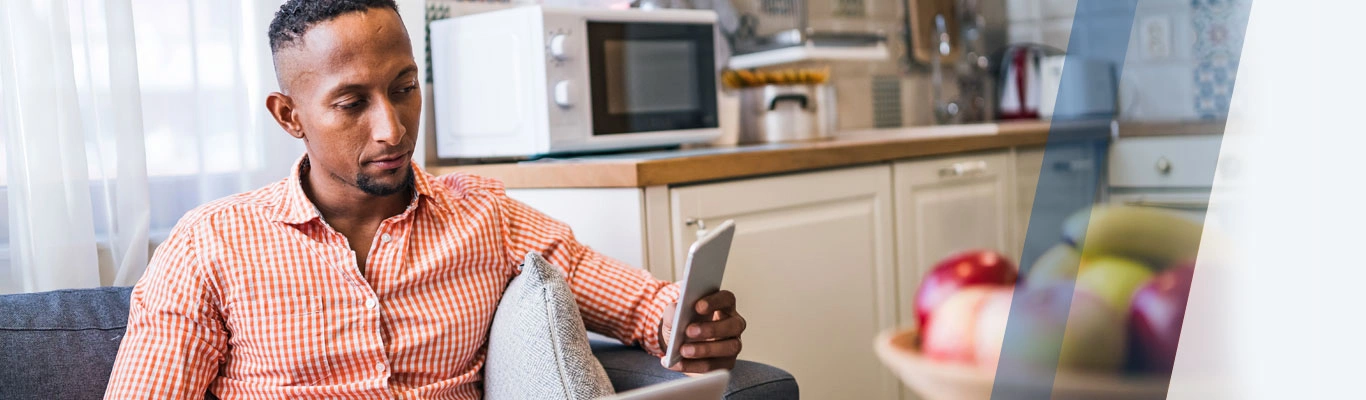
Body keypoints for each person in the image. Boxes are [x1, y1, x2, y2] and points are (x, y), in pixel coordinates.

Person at [103, 1, 745, 398]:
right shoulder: (209, 245)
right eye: (352, 103)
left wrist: (688, 325)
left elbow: (640, 303)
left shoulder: (485, 216)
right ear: (289, 116)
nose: (393, 128)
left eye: (404, 88)